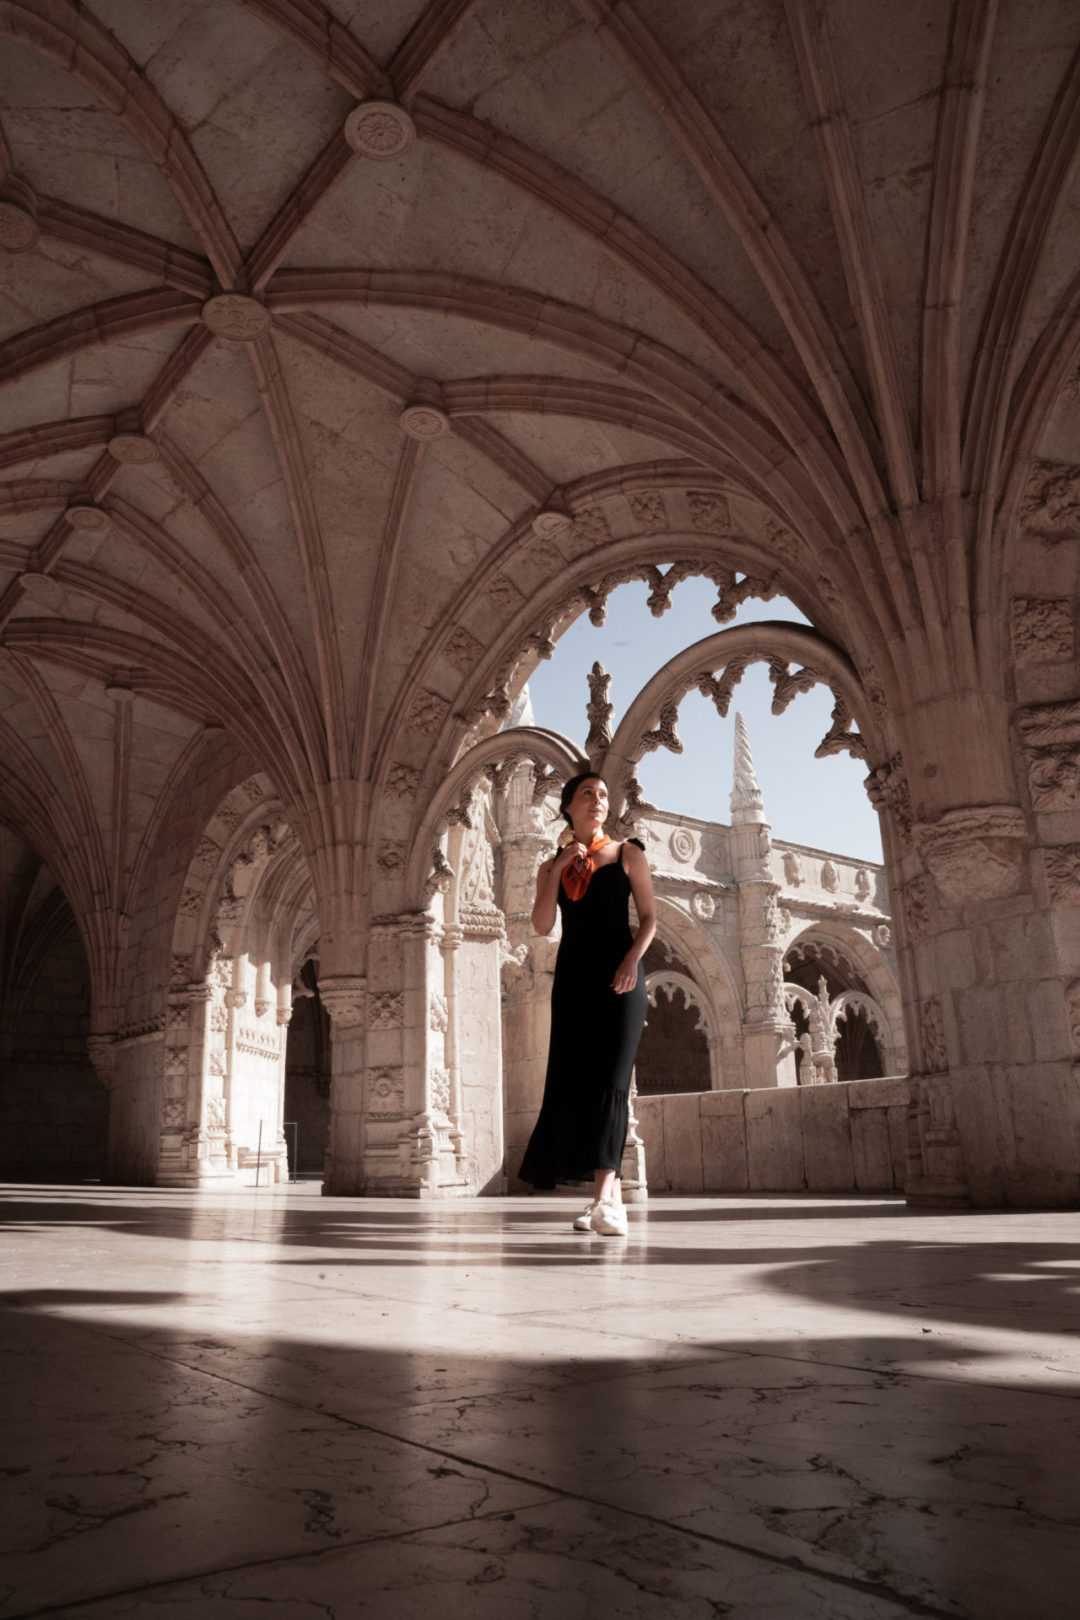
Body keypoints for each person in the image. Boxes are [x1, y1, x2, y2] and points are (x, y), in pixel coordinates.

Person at [518, 772, 656, 1236]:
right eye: (587, 793)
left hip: (621, 980)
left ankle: (602, 1200)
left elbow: (651, 920)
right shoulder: (552, 864)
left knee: (613, 1084)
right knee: (576, 1085)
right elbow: (541, 925)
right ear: (568, 807)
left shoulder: (627, 852)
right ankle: (605, 1202)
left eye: (602, 793)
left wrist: (632, 961)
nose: (598, 799)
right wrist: (556, 871)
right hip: (574, 982)